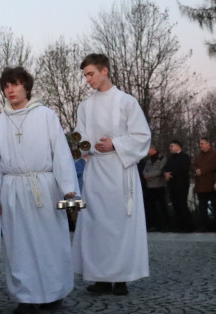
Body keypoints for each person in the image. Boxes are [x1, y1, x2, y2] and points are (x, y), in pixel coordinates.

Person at [0, 66, 79, 314]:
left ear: (26, 86)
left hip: (44, 187)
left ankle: (54, 292)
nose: (9, 90)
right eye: (6, 86)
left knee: (50, 242)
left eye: (14, 84)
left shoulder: (45, 115)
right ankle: (26, 296)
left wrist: (68, 189)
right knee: (18, 244)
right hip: (13, 189)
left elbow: (60, 153)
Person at [72, 54, 151, 296]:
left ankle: (121, 278)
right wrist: (87, 145)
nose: (88, 79)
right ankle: (101, 277)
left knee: (120, 223)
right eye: (85, 75)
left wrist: (115, 144)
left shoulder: (126, 102)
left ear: (104, 71)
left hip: (120, 170)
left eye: (91, 73)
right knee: (97, 224)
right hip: (96, 171)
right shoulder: (85, 106)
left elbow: (142, 136)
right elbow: (79, 136)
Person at [163, 140, 193, 232]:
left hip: (182, 184)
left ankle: (188, 226)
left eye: (171, 146)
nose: (170, 148)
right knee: (175, 205)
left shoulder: (185, 156)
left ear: (178, 146)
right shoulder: (171, 158)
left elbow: (183, 168)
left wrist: (171, 174)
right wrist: (165, 173)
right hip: (172, 185)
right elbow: (166, 167)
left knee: (182, 204)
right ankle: (178, 226)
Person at [192, 138, 216, 231]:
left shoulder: (215, 154)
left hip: (211, 184)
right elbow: (194, 164)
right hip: (200, 185)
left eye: (202, 143)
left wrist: (202, 171)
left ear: (208, 144)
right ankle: (204, 226)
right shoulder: (199, 155)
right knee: (202, 207)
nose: (200, 145)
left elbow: (214, 165)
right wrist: (196, 170)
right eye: (200, 144)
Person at [141, 146, 169, 232]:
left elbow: (160, 170)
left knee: (162, 206)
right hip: (150, 186)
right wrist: (145, 175)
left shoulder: (162, 158)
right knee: (152, 207)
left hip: (159, 185)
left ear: (153, 149)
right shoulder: (148, 160)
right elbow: (144, 170)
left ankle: (165, 225)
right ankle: (154, 225)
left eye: (148, 149)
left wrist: (149, 175)